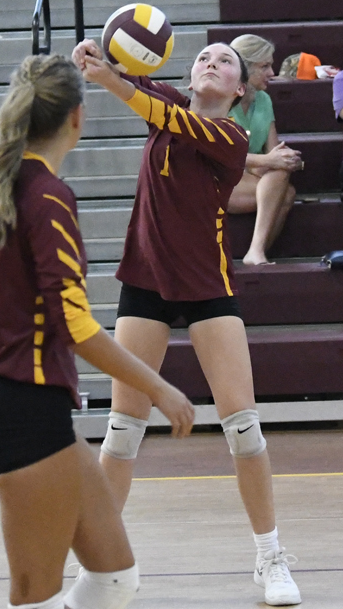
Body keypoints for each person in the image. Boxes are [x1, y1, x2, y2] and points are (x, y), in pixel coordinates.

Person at [72, 39, 302, 606]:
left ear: (240, 90)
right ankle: (102, 565)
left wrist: (110, 80)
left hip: (206, 286)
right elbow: (137, 86)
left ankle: (270, 557)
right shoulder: (166, 101)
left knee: (243, 428)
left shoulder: (230, 137)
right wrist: (100, 56)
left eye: (225, 62)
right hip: (145, 281)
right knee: (122, 431)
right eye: (203, 57)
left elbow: (151, 107)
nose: (211, 63)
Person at [0, 54, 195, 609]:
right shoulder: (45, 195)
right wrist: (160, 387)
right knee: (33, 594)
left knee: (114, 578)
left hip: (33, 408)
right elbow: (75, 325)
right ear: (77, 116)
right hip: (22, 411)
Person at [227, 34, 303, 265]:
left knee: (283, 178)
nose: (273, 73)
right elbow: (220, 155)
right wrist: (268, 161)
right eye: (265, 66)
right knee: (284, 189)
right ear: (244, 69)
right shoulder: (219, 99)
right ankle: (255, 252)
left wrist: (288, 159)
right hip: (217, 180)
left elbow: (273, 150)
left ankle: (256, 252)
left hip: (249, 176)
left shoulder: (263, 100)